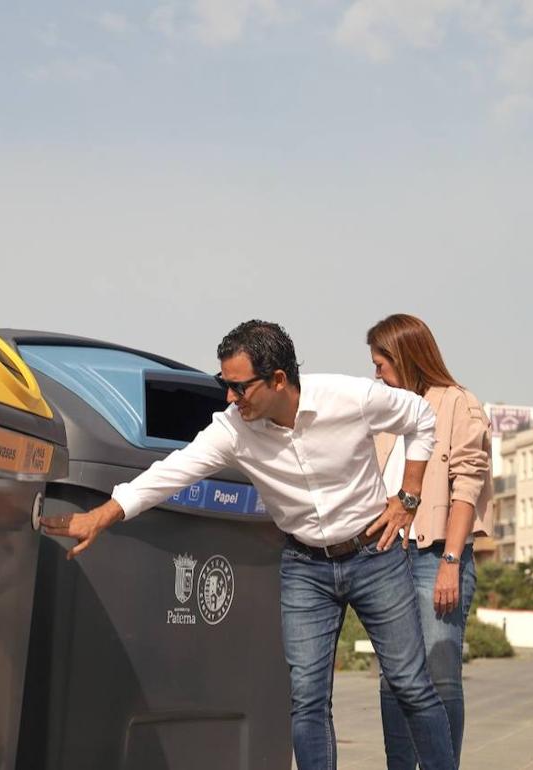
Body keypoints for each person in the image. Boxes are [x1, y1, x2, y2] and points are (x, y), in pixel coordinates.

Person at [43, 320, 455, 770]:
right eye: (225, 385)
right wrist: (101, 516)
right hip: (305, 568)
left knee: (410, 684)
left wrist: (408, 498)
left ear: (278, 379)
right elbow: (171, 472)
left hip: (374, 556)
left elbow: (420, 417)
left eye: (238, 387)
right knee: (307, 700)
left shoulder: (350, 397)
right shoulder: (233, 429)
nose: (229, 398)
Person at [366, 313, 493, 770]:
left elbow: (467, 488)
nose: (377, 373)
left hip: (436, 555)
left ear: (405, 355)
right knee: (392, 681)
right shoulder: (383, 408)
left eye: (382, 362)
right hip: (385, 559)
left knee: (440, 680)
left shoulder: (458, 403)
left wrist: (451, 562)